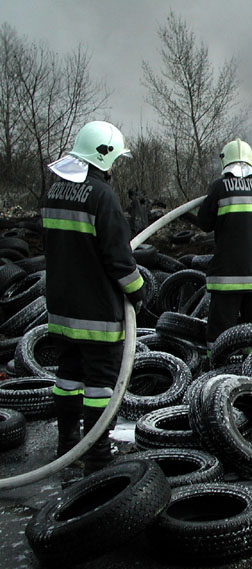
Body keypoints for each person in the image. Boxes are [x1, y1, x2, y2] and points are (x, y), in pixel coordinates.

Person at [42, 120, 147, 475]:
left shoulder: (54, 191)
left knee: (68, 375)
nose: (115, 165)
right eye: (115, 158)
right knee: (101, 383)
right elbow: (119, 260)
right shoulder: (102, 197)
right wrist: (139, 292)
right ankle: (98, 455)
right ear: (103, 155)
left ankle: (68, 444)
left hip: (61, 308)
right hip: (97, 312)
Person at [198, 138, 252, 349]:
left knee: (220, 337)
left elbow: (204, 223)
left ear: (224, 160)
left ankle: (216, 374)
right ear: (251, 160)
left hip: (228, 277)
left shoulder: (219, 188)